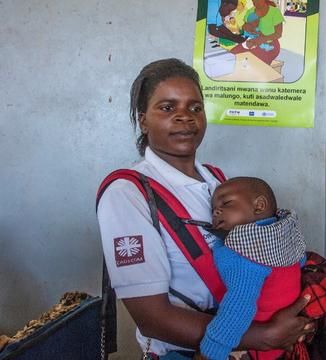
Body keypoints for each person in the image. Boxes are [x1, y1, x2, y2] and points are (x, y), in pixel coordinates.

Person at [97, 58, 313, 358]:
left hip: (241, 348)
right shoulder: (128, 193)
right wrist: (263, 336)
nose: (185, 117)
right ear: (143, 119)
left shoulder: (219, 182)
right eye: (168, 107)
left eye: (195, 108)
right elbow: (152, 318)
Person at [199, 177, 306, 360]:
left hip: (257, 346)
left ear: (259, 205)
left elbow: (238, 307)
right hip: (283, 340)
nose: (216, 211)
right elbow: (300, 261)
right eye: (213, 209)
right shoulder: (279, 232)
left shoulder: (246, 255)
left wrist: (211, 350)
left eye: (226, 203)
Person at [230, 0, 283, 65]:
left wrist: (259, 39)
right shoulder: (251, 11)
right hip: (252, 40)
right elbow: (244, 26)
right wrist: (248, 28)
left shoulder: (275, 12)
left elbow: (278, 34)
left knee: (254, 64)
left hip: (269, 45)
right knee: (231, 55)